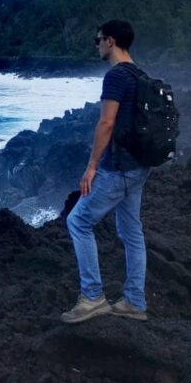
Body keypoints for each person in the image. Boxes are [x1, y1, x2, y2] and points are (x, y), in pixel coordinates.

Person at [61, 19, 150, 323]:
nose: (96, 44)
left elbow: (107, 123)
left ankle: (93, 297)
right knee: (131, 231)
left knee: (78, 221)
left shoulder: (115, 77)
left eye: (98, 39)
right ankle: (135, 302)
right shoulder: (141, 75)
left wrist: (91, 167)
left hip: (119, 169)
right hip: (139, 166)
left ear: (110, 41)